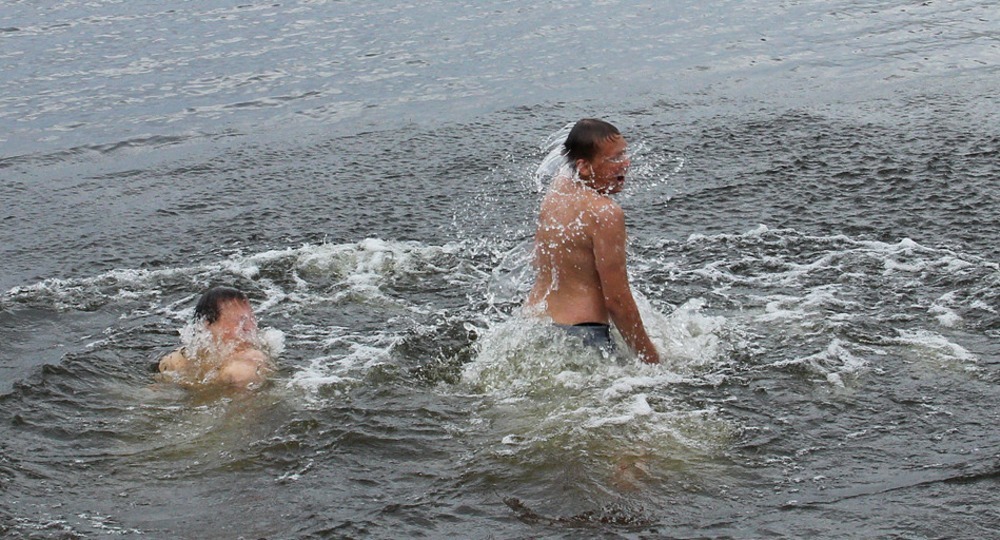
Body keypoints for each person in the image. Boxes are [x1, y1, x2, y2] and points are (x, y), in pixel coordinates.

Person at [525, 118, 659, 364]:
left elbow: (536, 258)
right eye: (614, 159)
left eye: (625, 154)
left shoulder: (557, 190)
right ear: (584, 167)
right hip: (584, 335)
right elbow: (617, 300)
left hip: (534, 328)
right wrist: (651, 359)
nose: (625, 164)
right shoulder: (605, 213)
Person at [158, 286, 272, 387]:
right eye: (240, 322)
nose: (249, 329)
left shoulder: (248, 363)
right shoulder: (175, 362)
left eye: (251, 320)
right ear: (207, 325)